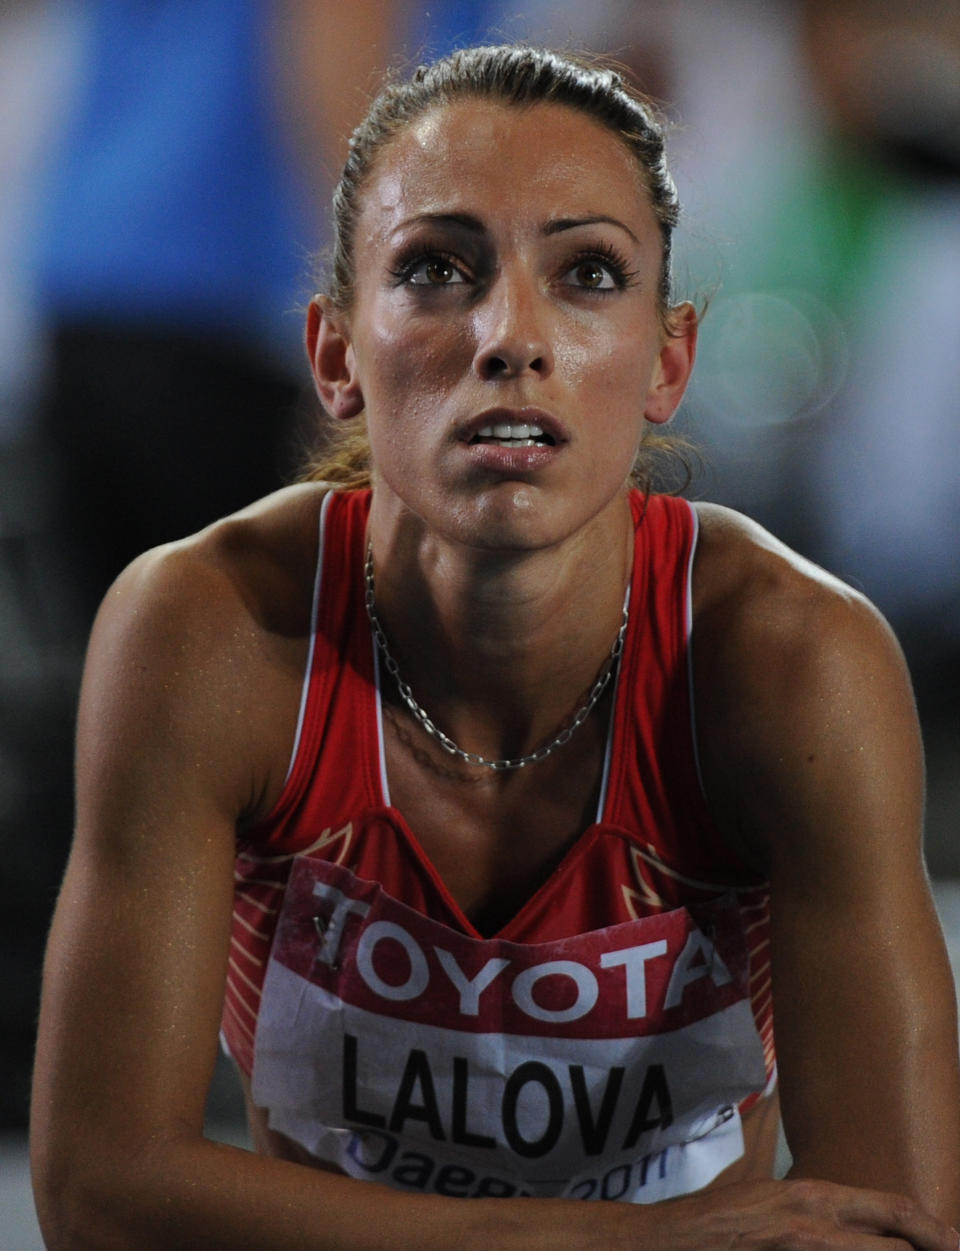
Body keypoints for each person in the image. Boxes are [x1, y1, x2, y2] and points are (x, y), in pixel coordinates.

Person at [30, 44, 960, 1250]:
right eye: (435, 269)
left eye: (586, 274)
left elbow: (897, 1223)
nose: (511, 335)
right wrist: (608, 1243)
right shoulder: (210, 633)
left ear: (670, 360)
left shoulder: (790, 659)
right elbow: (95, 1193)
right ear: (336, 355)